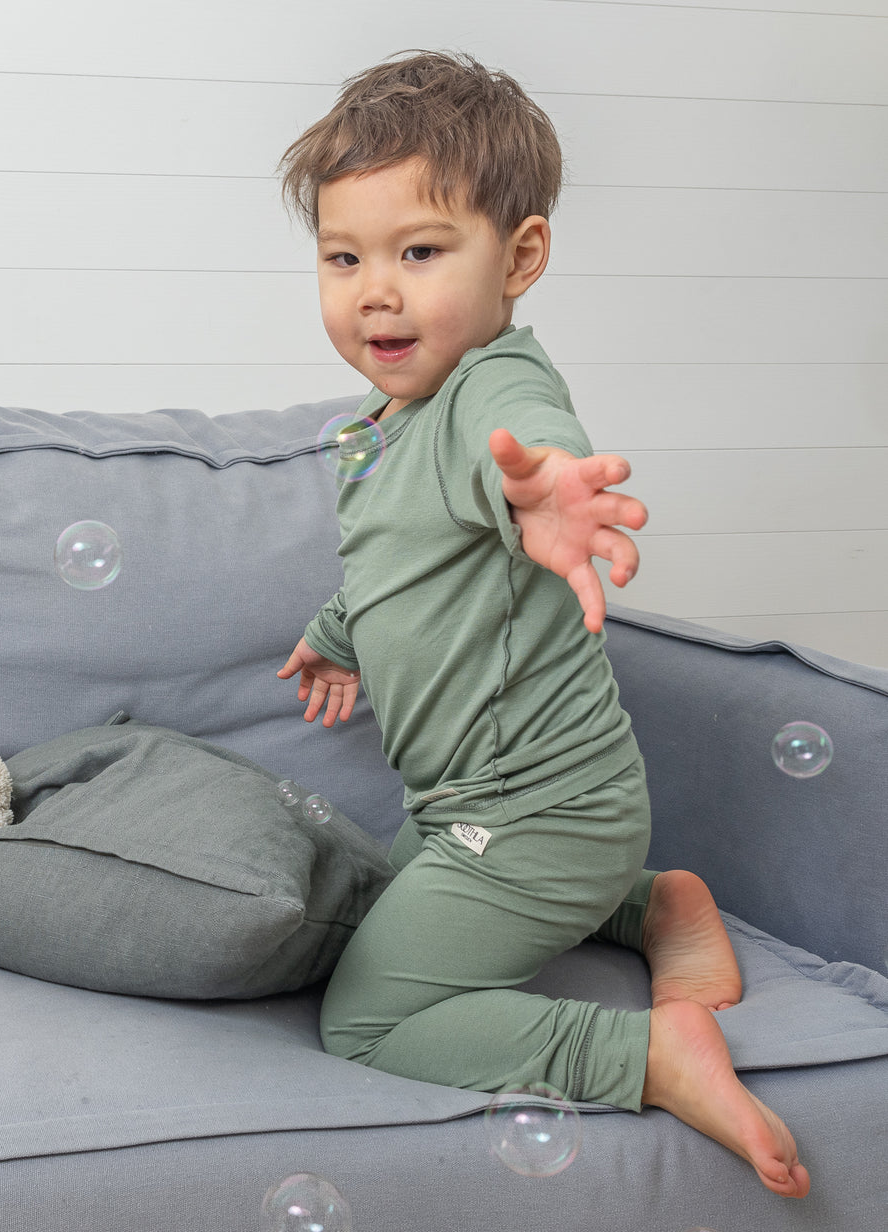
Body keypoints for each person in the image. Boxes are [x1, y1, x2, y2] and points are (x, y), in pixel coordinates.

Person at [274, 52, 809, 1198]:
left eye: (420, 252)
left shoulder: (491, 391)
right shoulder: (380, 424)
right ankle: (652, 902)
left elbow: (519, 448)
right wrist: (338, 630)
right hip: (478, 808)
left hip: (536, 815)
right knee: (373, 892)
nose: (376, 291)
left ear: (518, 258)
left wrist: (550, 488)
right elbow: (398, 559)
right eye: (344, 257)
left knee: (366, 1012)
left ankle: (646, 1052)